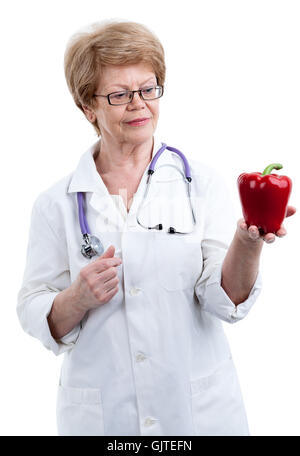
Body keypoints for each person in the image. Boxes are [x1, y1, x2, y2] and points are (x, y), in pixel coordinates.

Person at [17, 20, 296, 436]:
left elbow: (225, 302)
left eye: (148, 89)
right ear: (87, 107)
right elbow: (33, 308)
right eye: (119, 94)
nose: (139, 104)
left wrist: (247, 243)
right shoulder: (55, 204)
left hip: (198, 415)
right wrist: (77, 297)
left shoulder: (200, 184)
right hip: (104, 418)